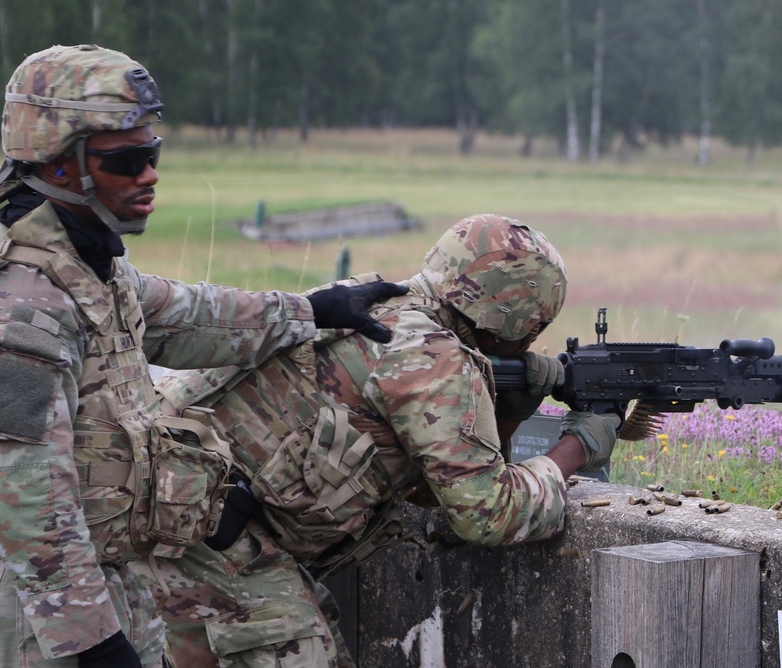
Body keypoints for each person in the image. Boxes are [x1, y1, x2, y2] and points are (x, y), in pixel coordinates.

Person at [0, 44, 406, 668]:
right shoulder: (24, 304)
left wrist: (318, 309)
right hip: (43, 627)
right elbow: (23, 493)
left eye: (152, 154)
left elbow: (192, 314)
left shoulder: (90, 271)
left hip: (118, 593)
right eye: (128, 160)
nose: (150, 175)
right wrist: (94, 646)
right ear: (57, 167)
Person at [144, 213, 622, 667]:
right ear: (514, 320)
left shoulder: (370, 302)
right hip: (206, 526)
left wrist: (505, 410)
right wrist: (577, 446)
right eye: (535, 327)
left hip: (172, 507)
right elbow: (486, 514)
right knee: (301, 648)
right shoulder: (433, 356)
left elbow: (427, 485)